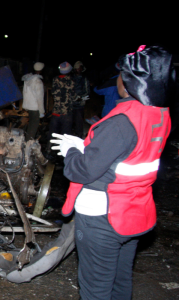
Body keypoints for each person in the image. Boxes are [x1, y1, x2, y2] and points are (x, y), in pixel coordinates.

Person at [51, 45, 175, 299]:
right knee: (120, 281)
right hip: (136, 213)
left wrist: (71, 151)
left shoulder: (121, 121)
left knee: (96, 288)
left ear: (129, 81)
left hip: (104, 217)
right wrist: (85, 145)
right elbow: (126, 155)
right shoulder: (160, 115)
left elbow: (82, 171)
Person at [48, 61, 76, 152]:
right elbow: (74, 96)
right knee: (66, 136)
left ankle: (49, 151)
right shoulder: (71, 81)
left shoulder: (55, 79)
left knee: (52, 134)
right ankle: (64, 154)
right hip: (66, 113)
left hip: (55, 112)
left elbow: (53, 92)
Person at [22, 62, 45, 140]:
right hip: (35, 108)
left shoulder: (27, 79)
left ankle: (26, 140)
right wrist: (41, 111)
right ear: (41, 70)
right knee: (33, 127)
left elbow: (24, 93)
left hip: (29, 106)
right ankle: (29, 143)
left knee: (30, 125)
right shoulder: (38, 82)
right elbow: (40, 98)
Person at [71, 61, 90, 137]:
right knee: (69, 123)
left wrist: (81, 98)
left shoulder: (84, 79)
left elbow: (87, 92)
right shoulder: (71, 78)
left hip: (80, 105)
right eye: (76, 68)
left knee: (79, 123)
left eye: (79, 68)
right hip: (71, 104)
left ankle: (78, 137)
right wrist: (74, 97)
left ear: (82, 69)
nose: (77, 70)